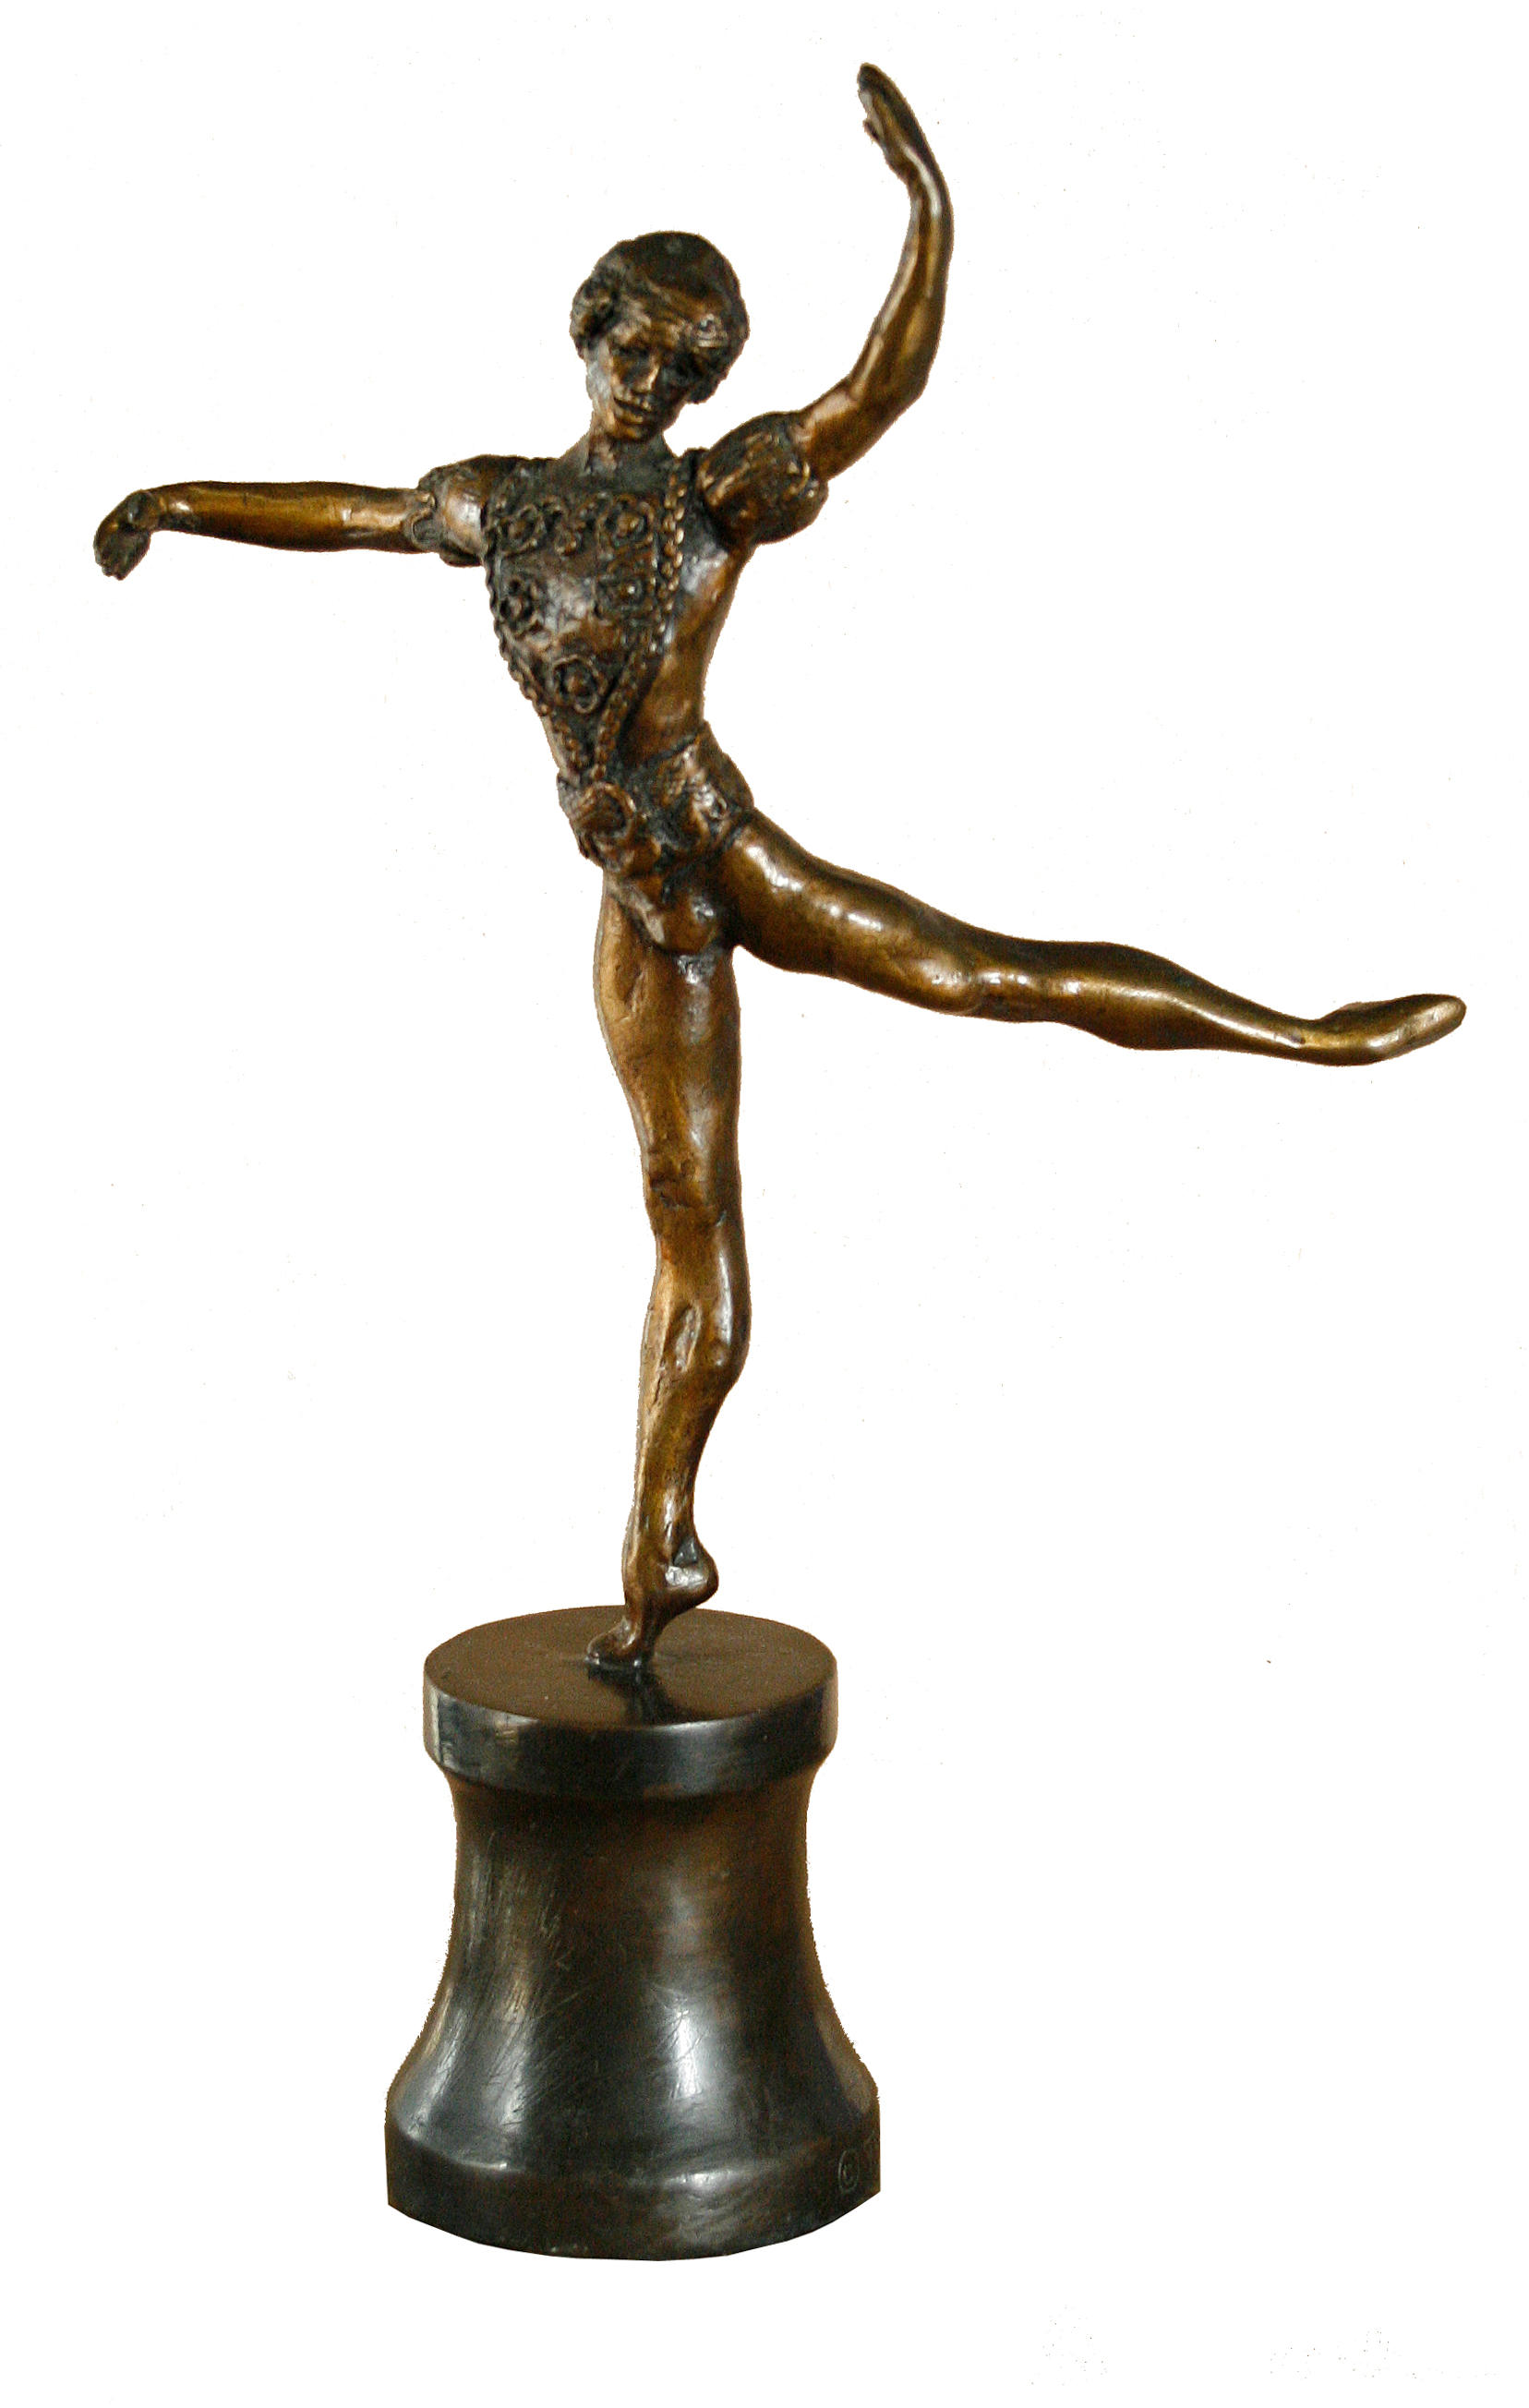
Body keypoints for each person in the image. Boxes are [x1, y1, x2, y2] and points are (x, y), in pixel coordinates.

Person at [95, 64, 1463, 1668]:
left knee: (986, 975)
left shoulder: (715, 495)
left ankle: (1300, 1033)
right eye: (630, 345)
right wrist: (173, 503)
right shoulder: (505, 505)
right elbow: (358, 513)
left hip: (723, 853)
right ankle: (656, 1548)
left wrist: (928, 215)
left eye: (681, 366)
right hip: (640, 911)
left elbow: (876, 395)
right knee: (690, 1223)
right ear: (587, 329)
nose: (646, 381)